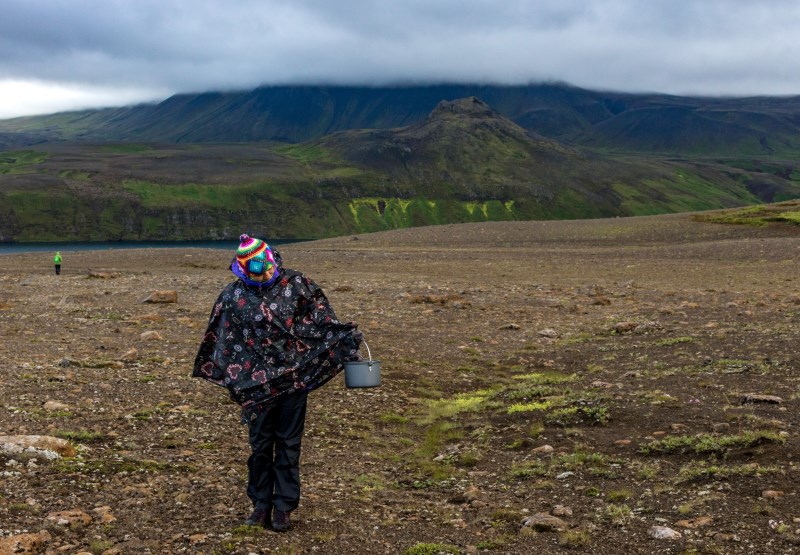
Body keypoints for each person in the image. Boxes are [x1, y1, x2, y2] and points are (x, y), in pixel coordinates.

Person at [193, 234, 362, 531]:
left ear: (272, 258)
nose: (266, 272)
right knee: (260, 446)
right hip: (255, 387)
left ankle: (283, 506)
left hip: (294, 379)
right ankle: (260, 504)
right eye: (257, 269)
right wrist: (234, 378)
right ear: (244, 269)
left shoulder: (298, 285)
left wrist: (344, 339)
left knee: (288, 444)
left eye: (267, 265)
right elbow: (221, 339)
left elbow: (322, 322)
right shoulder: (232, 297)